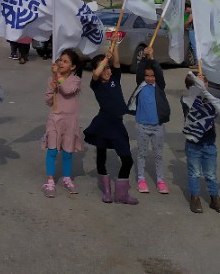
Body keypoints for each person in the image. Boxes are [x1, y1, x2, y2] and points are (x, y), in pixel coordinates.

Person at [83, 46, 138, 205]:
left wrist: (115, 46)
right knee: (101, 156)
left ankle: (121, 194)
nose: (108, 71)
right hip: (103, 123)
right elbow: (95, 74)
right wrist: (105, 59)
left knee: (127, 160)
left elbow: (117, 62)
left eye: (109, 68)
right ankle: (106, 191)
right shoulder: (96, 84)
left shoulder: (115, 79)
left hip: (117, 125)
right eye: (105, 68)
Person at [181, 72, 220, 215]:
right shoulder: (187, 100)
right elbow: (192, 105)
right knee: (194, 173)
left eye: (205, 83)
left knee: (211, 174)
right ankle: (195, 198)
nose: (204, 86)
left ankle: (215, 199)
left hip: (209, 143)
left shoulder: (211, 100)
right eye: (199, 84)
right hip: (193, 144)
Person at [127, 46, 170, 194]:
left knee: (158, 155)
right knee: (142, 154)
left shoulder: (159, 86)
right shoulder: (141, 84)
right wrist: (145, 58)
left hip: (157, 127)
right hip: (142, 126)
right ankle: (141, 178)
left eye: (152, 76)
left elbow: (158, 72)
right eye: (147, 75)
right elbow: (140, 71)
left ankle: (160, 180)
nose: (150, 78)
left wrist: (152, 58)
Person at [42, 49, 83, 198]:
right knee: (52, 150)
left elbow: (67, 90)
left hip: (70, 120)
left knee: (67, 151)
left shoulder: (75, 80)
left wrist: (58, 78)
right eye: (60, 60)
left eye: (65, 61)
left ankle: (67, 178)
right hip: (55, 119)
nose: (61, 63)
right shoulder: (52, 79)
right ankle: (50, 181)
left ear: (73, 67)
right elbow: (47, 101)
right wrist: (52, 89)